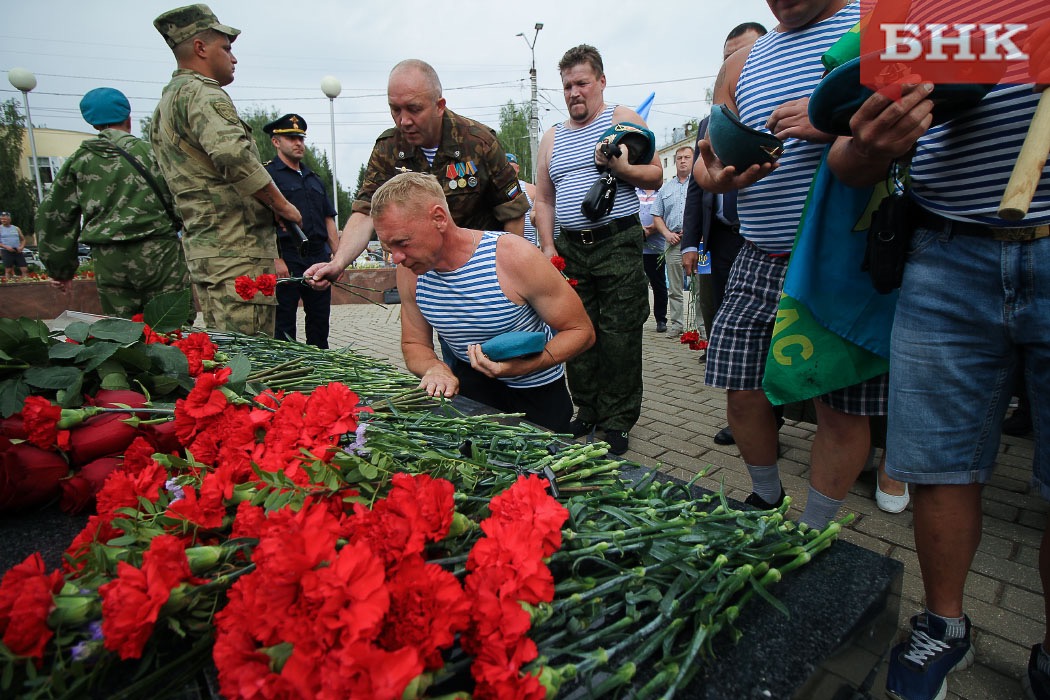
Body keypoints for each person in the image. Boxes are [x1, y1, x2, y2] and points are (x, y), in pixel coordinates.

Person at [826, 26, 1050, 700]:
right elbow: (844, 161)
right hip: (945, 254)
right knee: (938, 466)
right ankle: (944, 627)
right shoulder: (907, 12)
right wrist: (869, 142)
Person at [693, 0, 891, 532]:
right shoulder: (743, 59)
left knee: (841, 405)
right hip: (758, 253)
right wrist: (712, 176)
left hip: (845, 259)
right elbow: (703, 151)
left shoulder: (876, 21)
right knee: (741, 388)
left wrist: (833, 118)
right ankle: (766, 497)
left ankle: (815, 524)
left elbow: (926, 118)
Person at [373, 172, 594, 434]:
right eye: (389, 248)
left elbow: (581, 331)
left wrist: (529, 365)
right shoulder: (410, 270)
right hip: (472, 389)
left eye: (402, 243)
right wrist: (434, 368)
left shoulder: (513, 256)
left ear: (439, 218)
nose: (396, 257)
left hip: (535, 389)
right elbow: (414, 343)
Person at [534, 44, 664, 456]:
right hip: (571, 248)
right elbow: (545, 200)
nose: (574, 92)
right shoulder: (551, 138)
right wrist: (549, 248)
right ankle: (586, 410)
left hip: (618, 242)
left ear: (601, 82)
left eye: (582, 83)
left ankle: (617, 420)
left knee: (620, 336)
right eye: (567, 85)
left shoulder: (621, 118)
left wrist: (622, 169)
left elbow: (656, 175)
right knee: (578, 333)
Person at [305, 59, 528, 289]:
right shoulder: (388, 148)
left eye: (414, 109)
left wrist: (512, 276)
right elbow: (365, 213)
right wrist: (338, 262)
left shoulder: (478, 142)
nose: (404, 121)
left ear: (439, 105)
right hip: (420, 271)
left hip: (480, 271)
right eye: (395, 109)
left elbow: (511, 212)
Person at [150, 4, 301, 335]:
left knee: (228, 351)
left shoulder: (167, 102)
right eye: (227, 48)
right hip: (237, 250)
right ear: (200, 48)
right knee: (250, 362)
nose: (233, 59)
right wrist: (280, 204)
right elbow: (232, 154)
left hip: (208, 249)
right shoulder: (203, 94)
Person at [35, 88, 190, 319]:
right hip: (159, 252)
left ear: (92, 122)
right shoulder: (152, 153)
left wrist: (61, 270)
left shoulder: (80, 160)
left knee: (121, 332)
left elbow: (54, 217)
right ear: (128, 117)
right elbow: (183, 196)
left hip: (109, 258)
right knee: (171, 323)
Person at [683, 22, 766, 438]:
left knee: (768, 331)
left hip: (762, 239)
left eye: (746, 54)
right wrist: (690, 243)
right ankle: (742, 416)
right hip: (717, 240)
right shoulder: (708, 125)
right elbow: (697, 191)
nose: (737, 66)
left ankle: (772, 417)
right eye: (727, 59)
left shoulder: (779, 112)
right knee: (723, 324)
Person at [262, 113, 339, 348]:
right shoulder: (267, 176)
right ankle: (289, 372)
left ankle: (321, 369)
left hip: (317, 255)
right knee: (284, 324)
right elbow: (262, 222)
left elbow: (328, 218)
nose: (298, 143)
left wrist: (338, 256)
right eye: (292, 138)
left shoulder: (313, 178)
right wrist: (275, 258)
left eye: (301, 138)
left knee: (319, 320)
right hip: (288, 256)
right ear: (276, 142)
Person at [651, 146, 693, 338]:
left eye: (687, 157)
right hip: (674, 243)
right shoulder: (665, 189)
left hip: (699, 243)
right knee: (675, 288)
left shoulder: (701, 185)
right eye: (679, 158)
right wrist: (667, 234)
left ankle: (703, 329)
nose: (682, 161)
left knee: (701, 289)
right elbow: (657, 215)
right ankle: (676, 325)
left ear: (693, 160)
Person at [637, 186, 668, 333]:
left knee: (659, 285)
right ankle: (636, 318)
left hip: (656, 249)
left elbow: (667, 214)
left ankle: (661, 319)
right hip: (636, 248)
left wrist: (652, 229)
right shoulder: (634, 191)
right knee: (636, 286)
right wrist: (639, 231)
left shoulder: (662, 192)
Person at [507, 153, 539, 246]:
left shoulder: (531, 189)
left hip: (531, 245)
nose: (509, 170)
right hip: (509, 245)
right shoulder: (495, 190)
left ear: (517, 168)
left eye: (511, 167)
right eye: (506, 167)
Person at [0, 212, 29, 279]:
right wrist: (6, 247)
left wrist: (21, 247)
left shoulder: (16, 228)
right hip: (6, 251)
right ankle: (8, 284)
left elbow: (23, 239)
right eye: (1, 219)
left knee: (24, 269)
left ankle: (26, 283)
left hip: (17, 251)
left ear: (9, 219)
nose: (3, 221)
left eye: (5, 219)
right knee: (8, 270)